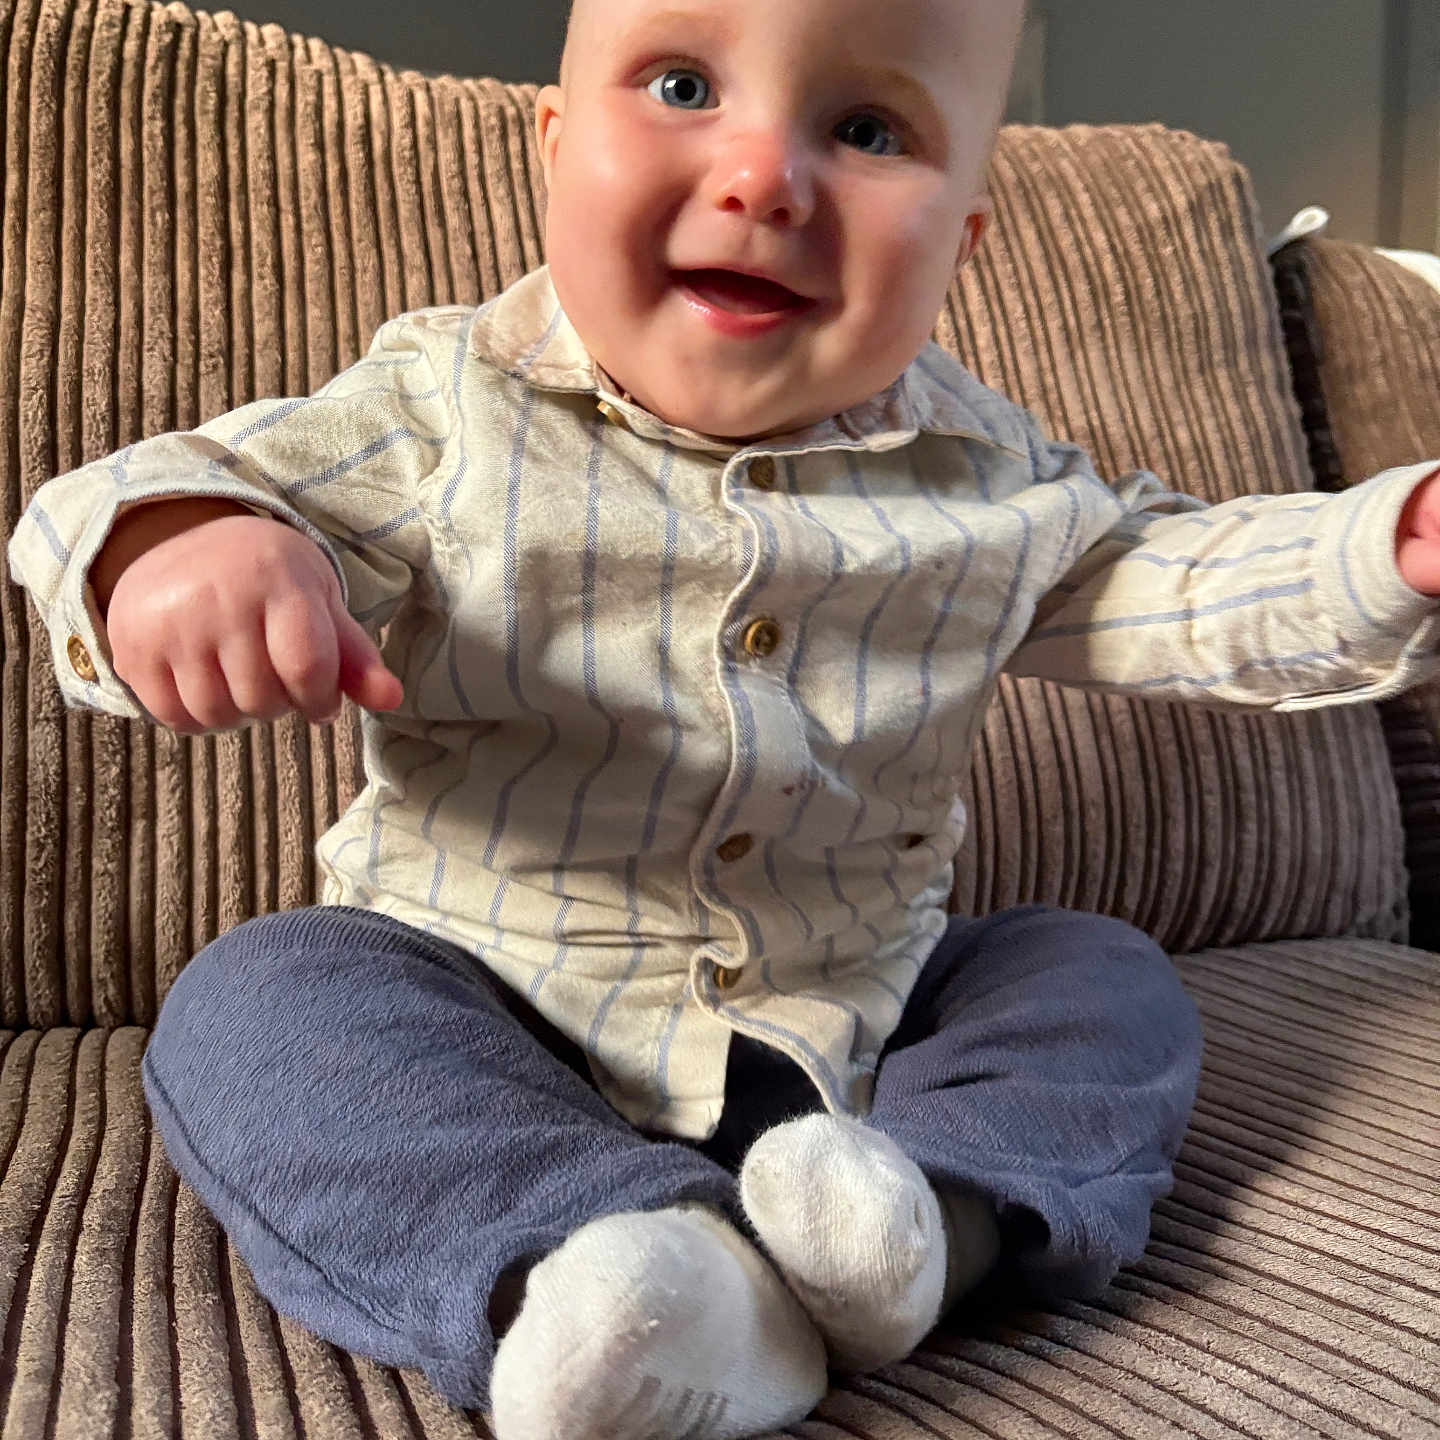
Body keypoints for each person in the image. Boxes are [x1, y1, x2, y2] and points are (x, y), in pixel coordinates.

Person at [10, 0, 1440, 1435]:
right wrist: (190, 545)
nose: (765, 177)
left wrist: (1393, 545)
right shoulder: (447, 409)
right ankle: (604, 1272)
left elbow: (1175, 576)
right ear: (557, 151)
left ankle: (927, 1229)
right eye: (685, 83)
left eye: (868, 131)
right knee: (251, 1002)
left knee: (1096, 975)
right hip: (488, 1009)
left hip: (862, 1059)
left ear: (963, 242)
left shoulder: (990, 476)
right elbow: (173, 485)